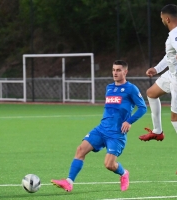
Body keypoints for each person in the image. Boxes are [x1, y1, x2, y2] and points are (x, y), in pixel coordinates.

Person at [51, 60, 147, 192]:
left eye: (118, 70)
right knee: (80, 150)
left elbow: (142, 108)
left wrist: (129, 121)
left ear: (125, 72)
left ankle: (124, 173)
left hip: (116, 134)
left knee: (109, 165)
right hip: (101, 129)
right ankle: (69, 182)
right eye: (113, 70)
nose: (115, 72)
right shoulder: (109, 87)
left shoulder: (131, 89)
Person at [138, 4, 177, 175]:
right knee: (151, 93)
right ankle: (157, 131)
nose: (162, 21)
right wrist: (157, 69)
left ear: (166, 18)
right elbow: (170, 54)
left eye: (161, 19)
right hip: (174, 74)